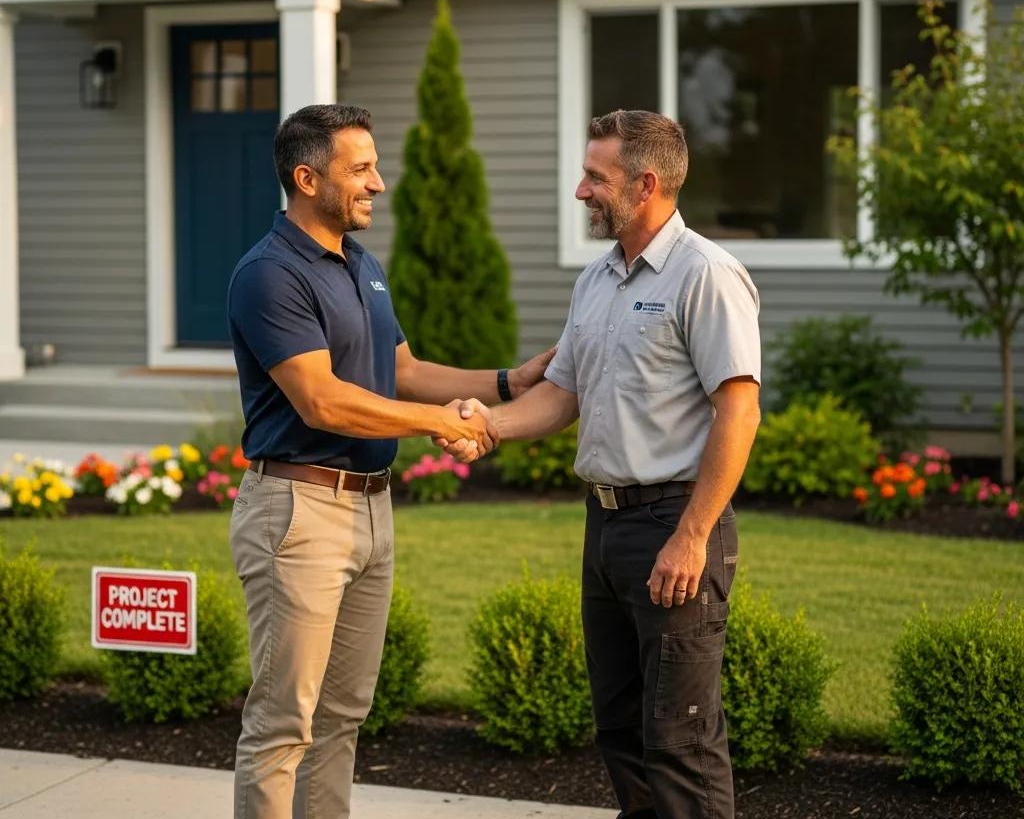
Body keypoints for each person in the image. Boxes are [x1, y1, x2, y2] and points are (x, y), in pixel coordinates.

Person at [225, 103, 552, 819]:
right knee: (285, 724)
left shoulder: (360, 264)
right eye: (361, 168)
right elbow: (322, 401)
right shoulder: (269, 275)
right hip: (299, 512)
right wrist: (441, 424)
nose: (379, 183)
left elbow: (398, 370)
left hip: (370, 508)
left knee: (342, 714)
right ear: (307, 178)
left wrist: (505, 384)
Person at [470, 109, 761, 819]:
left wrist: (691, 537)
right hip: (605, 530)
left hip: (675, 524)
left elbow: (739, 411)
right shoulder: (596, 281)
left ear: (647, 183)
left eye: (595, 178)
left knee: (681, 740)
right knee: (622, 731)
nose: (581, 192)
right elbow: (562, 393)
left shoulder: (707, 275)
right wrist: (487, 427)